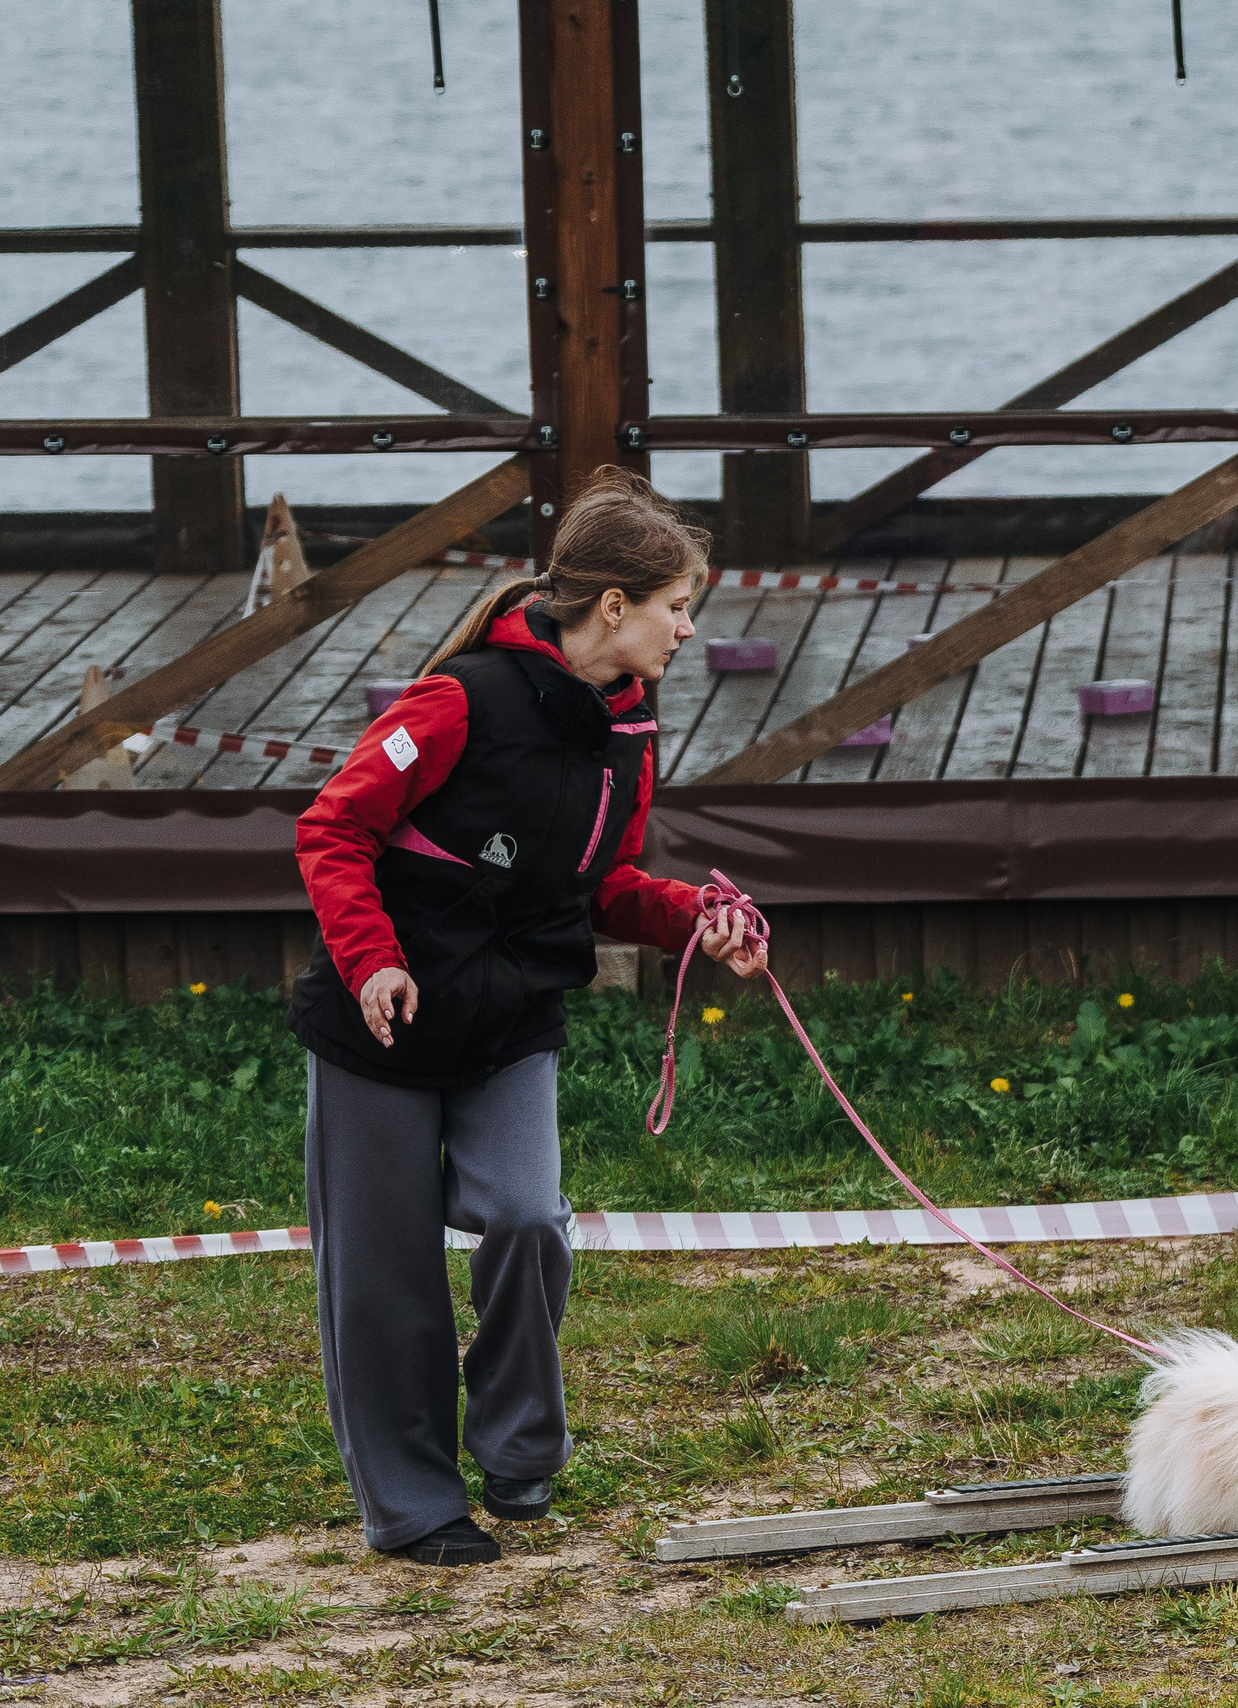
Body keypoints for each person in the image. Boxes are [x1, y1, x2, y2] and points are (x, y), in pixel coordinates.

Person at [287, 469, 768, 1565]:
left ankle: (517, 1450)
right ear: (613, 607)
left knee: (526, 1217)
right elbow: (330, 830)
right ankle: (412, 1506)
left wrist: (699, 915)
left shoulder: (629, 734)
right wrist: (370, 962)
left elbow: (603, 888)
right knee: (385, 1269)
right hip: (383, 1024)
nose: (688, 630)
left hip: (510, 1024)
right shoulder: (456, 700)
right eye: (677, 606)